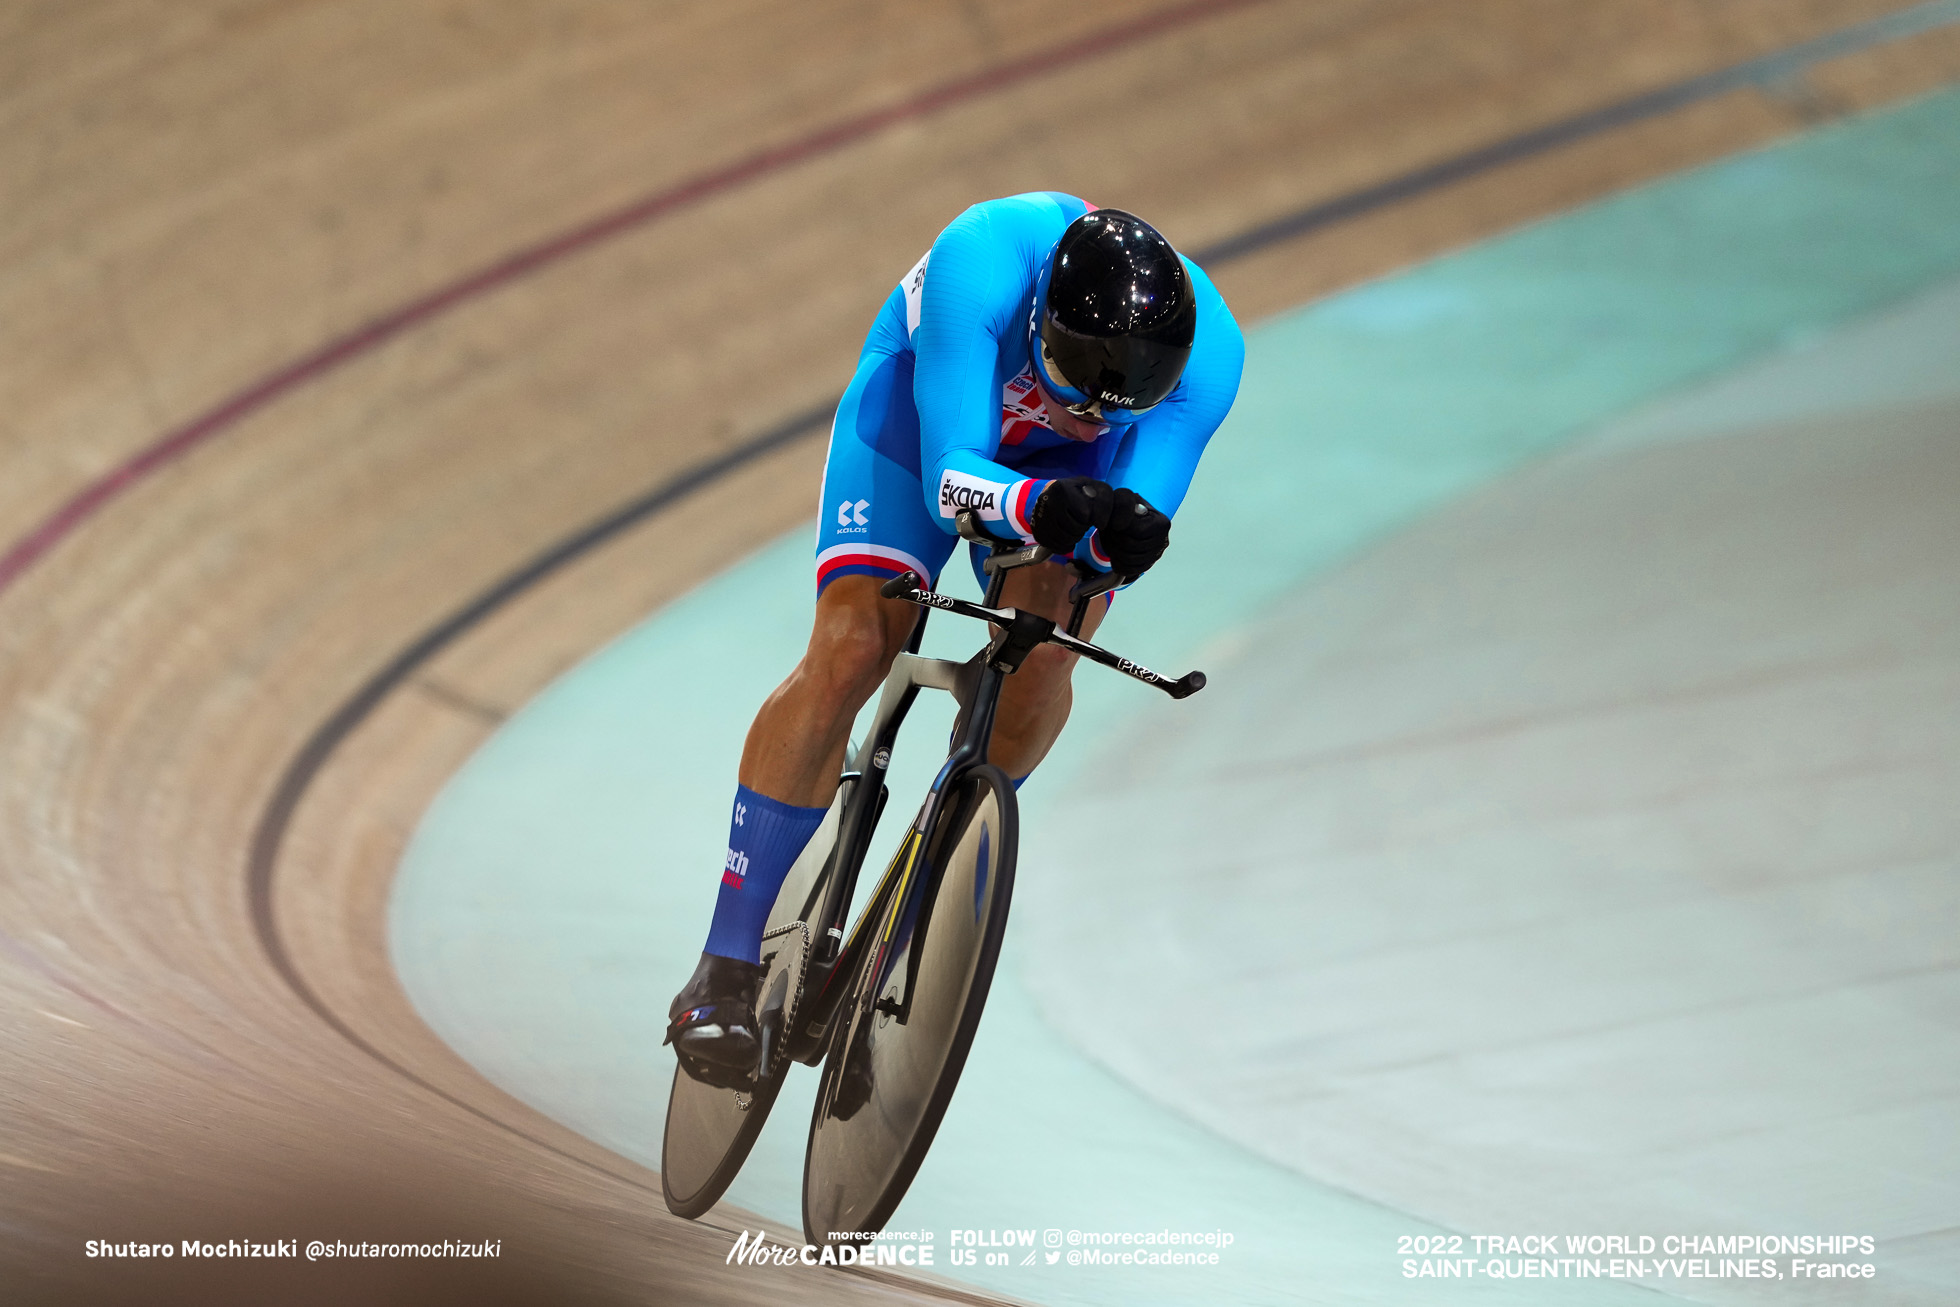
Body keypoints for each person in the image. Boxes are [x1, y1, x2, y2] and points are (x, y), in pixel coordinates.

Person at [667, 193, 1243, 1086]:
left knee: (1046, 652)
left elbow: (1129, 528)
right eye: (1078, 396)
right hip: (927, 419)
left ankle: (890, 948)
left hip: (1058, 479)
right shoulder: (984, 258)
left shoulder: (1209, 365)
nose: (1092, 420)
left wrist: (1109, 537)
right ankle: (725, 966)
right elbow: (950, 481)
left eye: (1116, 411)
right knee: (859, 641)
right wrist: (1037, 502)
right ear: (1044, 327)